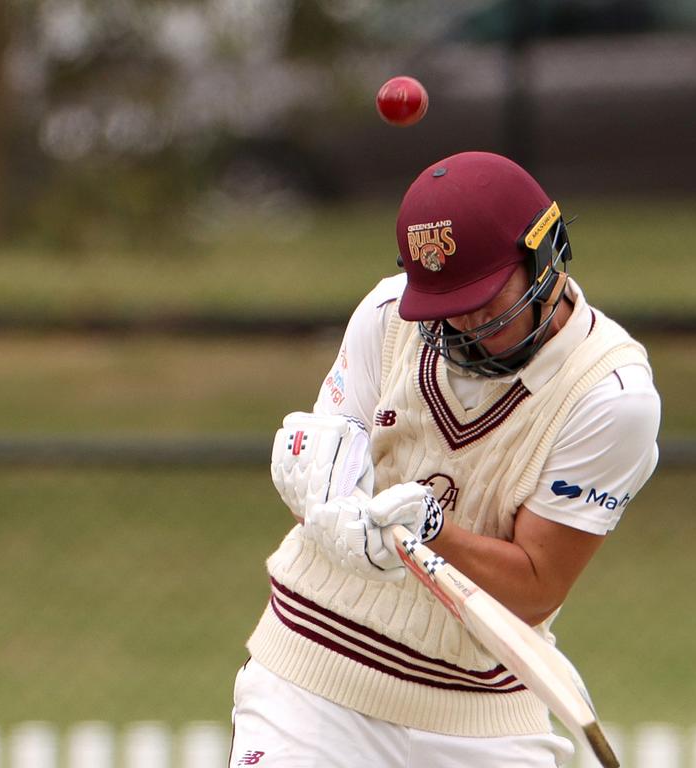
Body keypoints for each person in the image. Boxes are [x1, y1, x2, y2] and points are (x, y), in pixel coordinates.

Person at [228, 151, 661, 768]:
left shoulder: (609, 397)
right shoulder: (388, 313)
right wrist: (322, 493)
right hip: (315, 677)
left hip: (478, 710)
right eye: (443, 303)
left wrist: (432, 531)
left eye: (485, 304)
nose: (462, 325)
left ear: (544, 260)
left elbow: (535, 589)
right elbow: (331, 457)